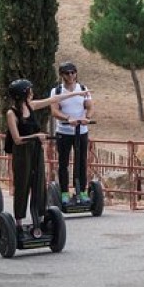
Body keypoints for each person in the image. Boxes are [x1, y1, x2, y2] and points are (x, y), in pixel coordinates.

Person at [6, 79, 88, 236]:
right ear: (23, 94)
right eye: (29, 90)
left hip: (36, 149)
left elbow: (54, 99)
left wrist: (78, 93)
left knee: (39, 184)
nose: (32, 92)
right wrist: (35, 135)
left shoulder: (31, 105)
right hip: (22, 151)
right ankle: (18, 222)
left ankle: (40, 218)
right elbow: (16, 139)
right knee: (22, 185)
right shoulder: (12, 113)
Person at [49, 62, 94, 204]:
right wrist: (68, 118)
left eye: (73, 72)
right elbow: (54, 111)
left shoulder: (83, 89)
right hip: (64, 131)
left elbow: (90, 106)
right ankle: (64, 193)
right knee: (63, 163)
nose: (71, 76)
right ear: (62, 75)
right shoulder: (56, 91)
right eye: (67, 73)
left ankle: (81, 191)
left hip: (81, 131)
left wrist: (87, 118)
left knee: (81, 161)